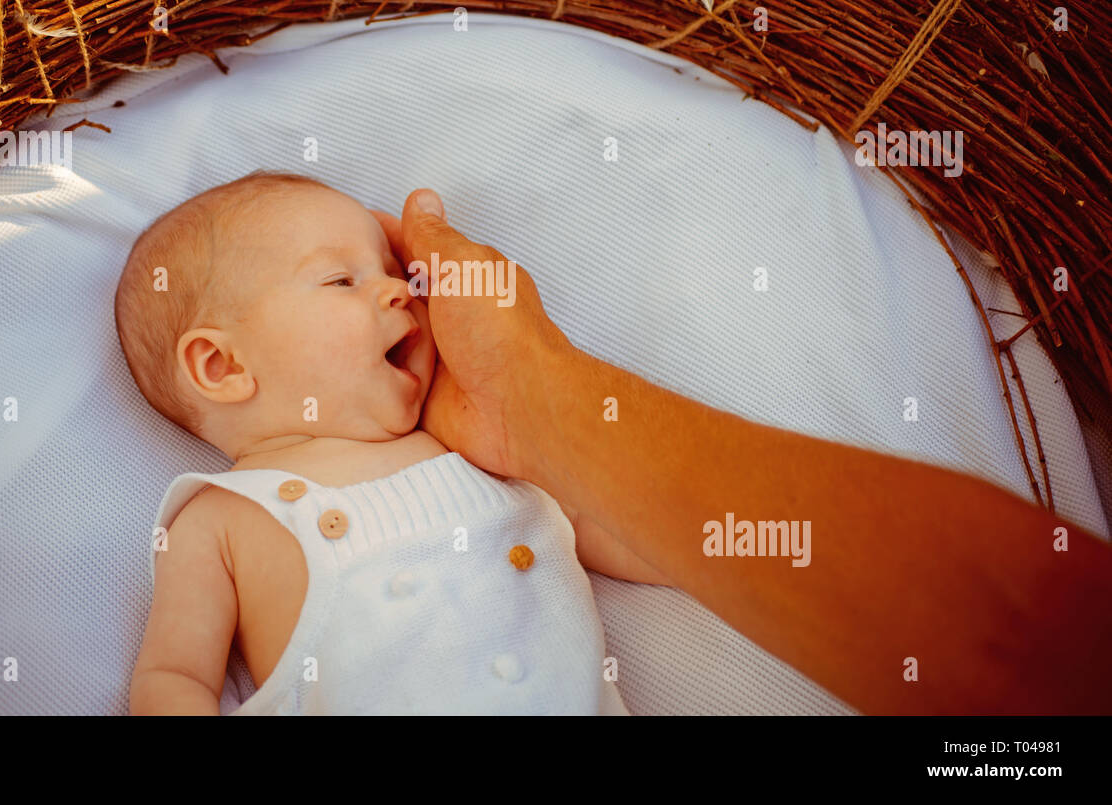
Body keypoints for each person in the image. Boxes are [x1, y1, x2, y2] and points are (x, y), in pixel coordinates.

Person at [374, 187, 1112, 715]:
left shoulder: (477, 470)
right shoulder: (289, 494)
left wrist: (527, 395)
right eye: (337, 279)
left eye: (383, 274)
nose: (393, 294)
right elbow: (1019, 638)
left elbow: (624, 529)